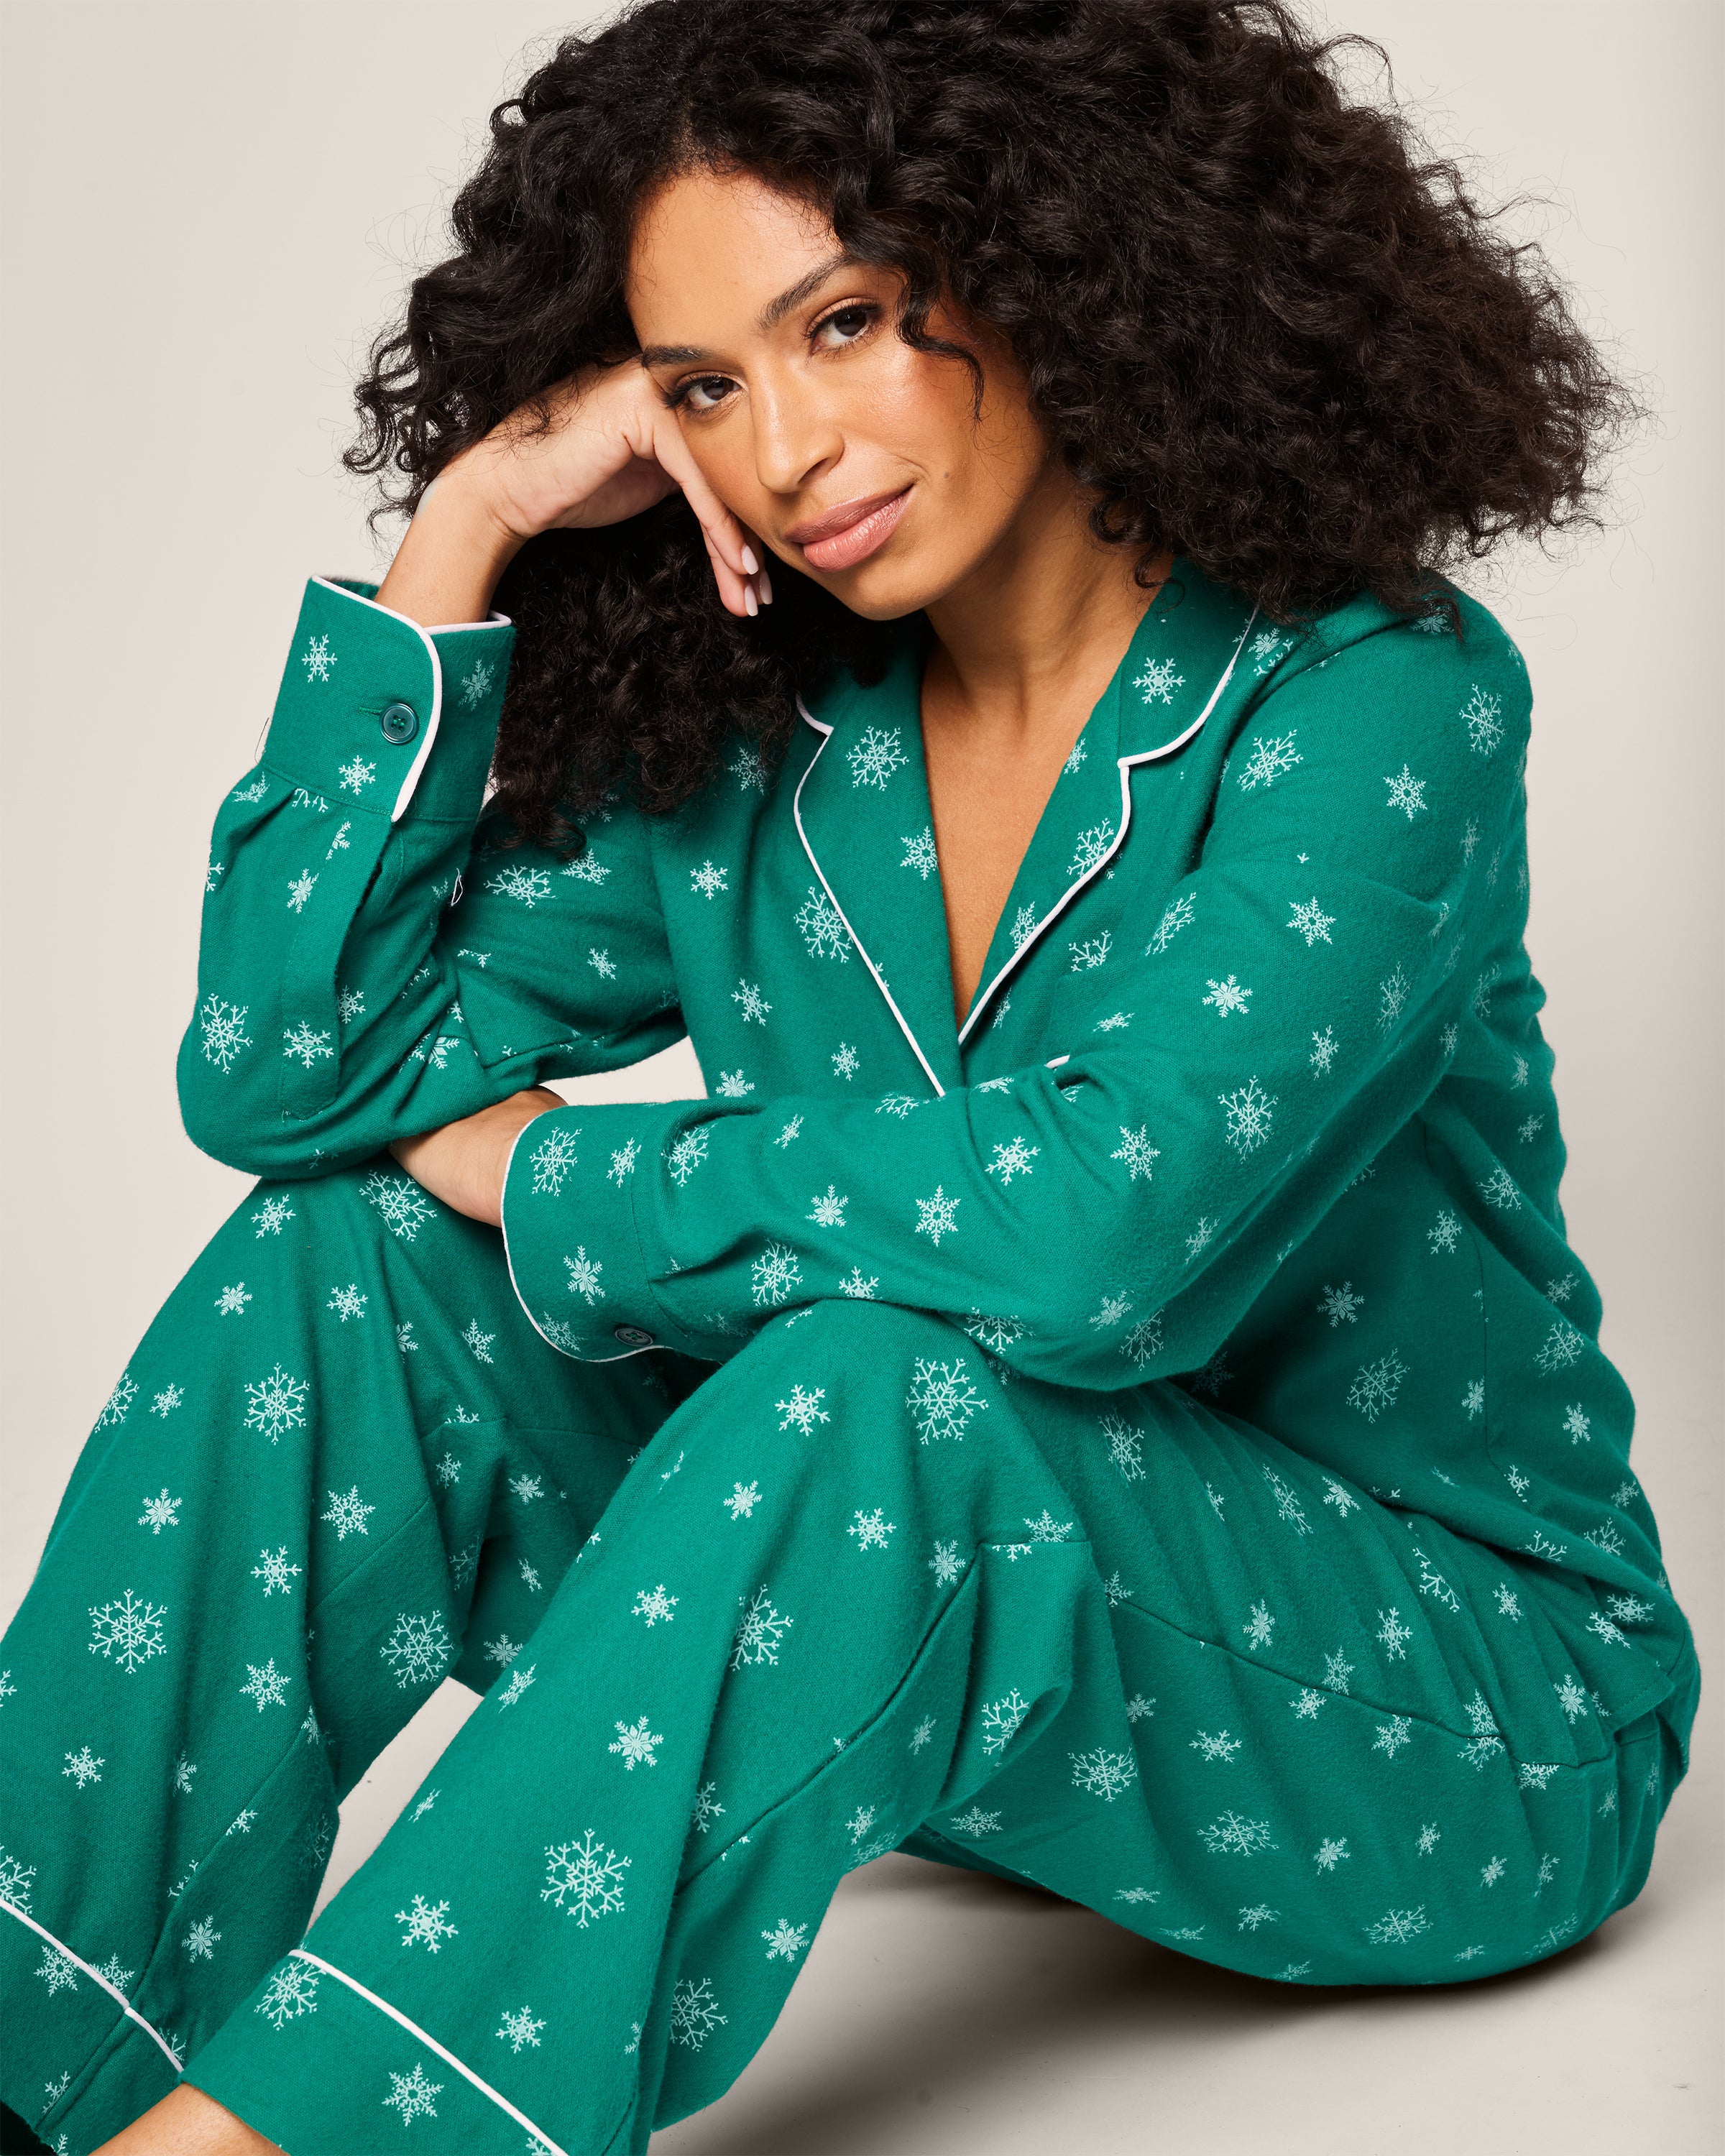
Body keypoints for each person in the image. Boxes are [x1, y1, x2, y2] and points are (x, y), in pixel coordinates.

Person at [0, 2, 1699, 2152]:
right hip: (988, 1671)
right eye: (709, 383)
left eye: (851, 322)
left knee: (898, 1386)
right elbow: (287, 1080)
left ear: (1057, 264)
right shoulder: (773, 747)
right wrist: (472, 525)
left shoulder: (1375, 701)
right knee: (335, 1263)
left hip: (1456, 1715)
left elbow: (1097, 1249)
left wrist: (555, 1180)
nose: (790, 448)